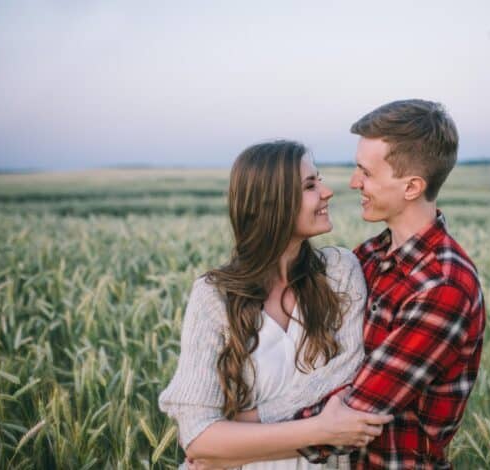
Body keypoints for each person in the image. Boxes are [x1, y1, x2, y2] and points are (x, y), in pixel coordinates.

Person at [158, 140, 393, 469]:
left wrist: (247, 421)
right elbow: (197, 437)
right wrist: (320, 429)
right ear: (272, 204)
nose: (327, 192)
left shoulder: (339, 271)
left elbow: (348, 374)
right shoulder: (215, 295)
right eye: (310, 185)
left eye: (319, 180)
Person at [288, 99, 487, 469]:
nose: (352, 183)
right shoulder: (368, 256)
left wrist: (231, 442)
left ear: (411, 187)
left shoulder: (441, 286)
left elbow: (355, 416)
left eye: (366, 172)